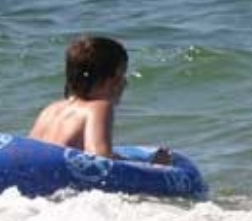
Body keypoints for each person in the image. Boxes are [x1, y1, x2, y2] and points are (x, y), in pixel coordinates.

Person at [29, 35, 171, 164]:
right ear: (110, 81)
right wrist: (151, 165)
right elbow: (100, 159)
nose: (125, 83)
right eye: (121, 75)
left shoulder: (51, 109)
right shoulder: (98, 108)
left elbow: (29, 153)